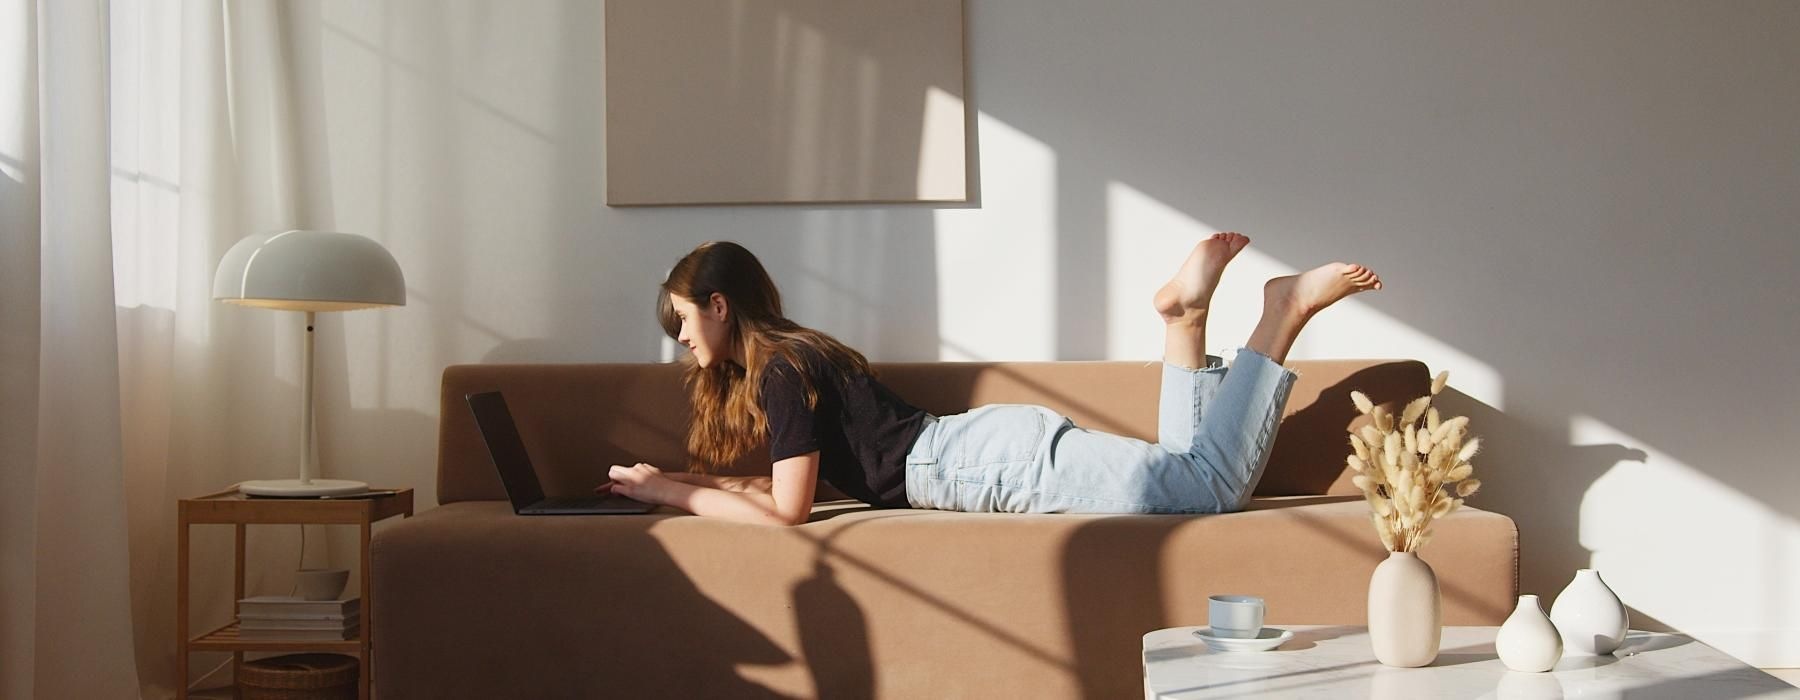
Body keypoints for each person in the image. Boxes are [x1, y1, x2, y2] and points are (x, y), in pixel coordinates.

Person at [596, 235, 1381, 526]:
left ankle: (1280, 315)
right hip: (974, 454)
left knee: (1210, 487)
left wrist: (673, 494)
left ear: (718, 306)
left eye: (682, 321)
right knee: (1186, 472)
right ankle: (1184, 319)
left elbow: (790, 510)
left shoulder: (779, 372)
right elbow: (777, 487)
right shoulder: (796, 355)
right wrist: (672, 476)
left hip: (976, 466)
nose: (682, 342)